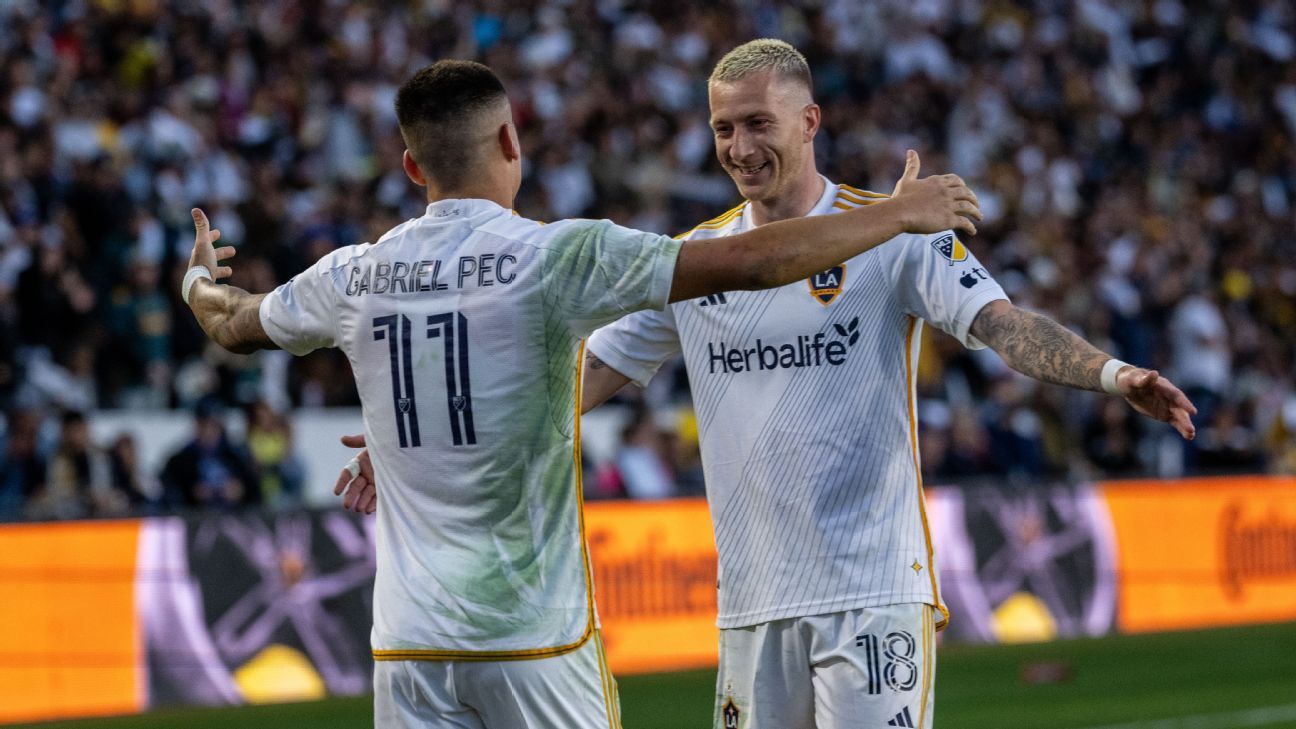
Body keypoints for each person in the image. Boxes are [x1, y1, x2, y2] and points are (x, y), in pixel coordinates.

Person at [340, 41, 1198, 729]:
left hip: (872, 595)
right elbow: (576, 378)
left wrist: (1111, 372)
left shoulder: (894, 232)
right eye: (723, 129)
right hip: (751, 607)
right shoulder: (697, 261)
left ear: (810, 120)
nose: (740, 148)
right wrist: (412, 444)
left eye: (758, 123)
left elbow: (1003, 326)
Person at [185, 59, 981, 729]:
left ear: (412, 167)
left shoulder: (352, 273)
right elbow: (753, 262)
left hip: (408, 649)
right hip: (537, 639)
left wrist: (195, 279)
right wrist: (895, 216)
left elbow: (230, 321)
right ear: (511, 141)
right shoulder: (556, 256)